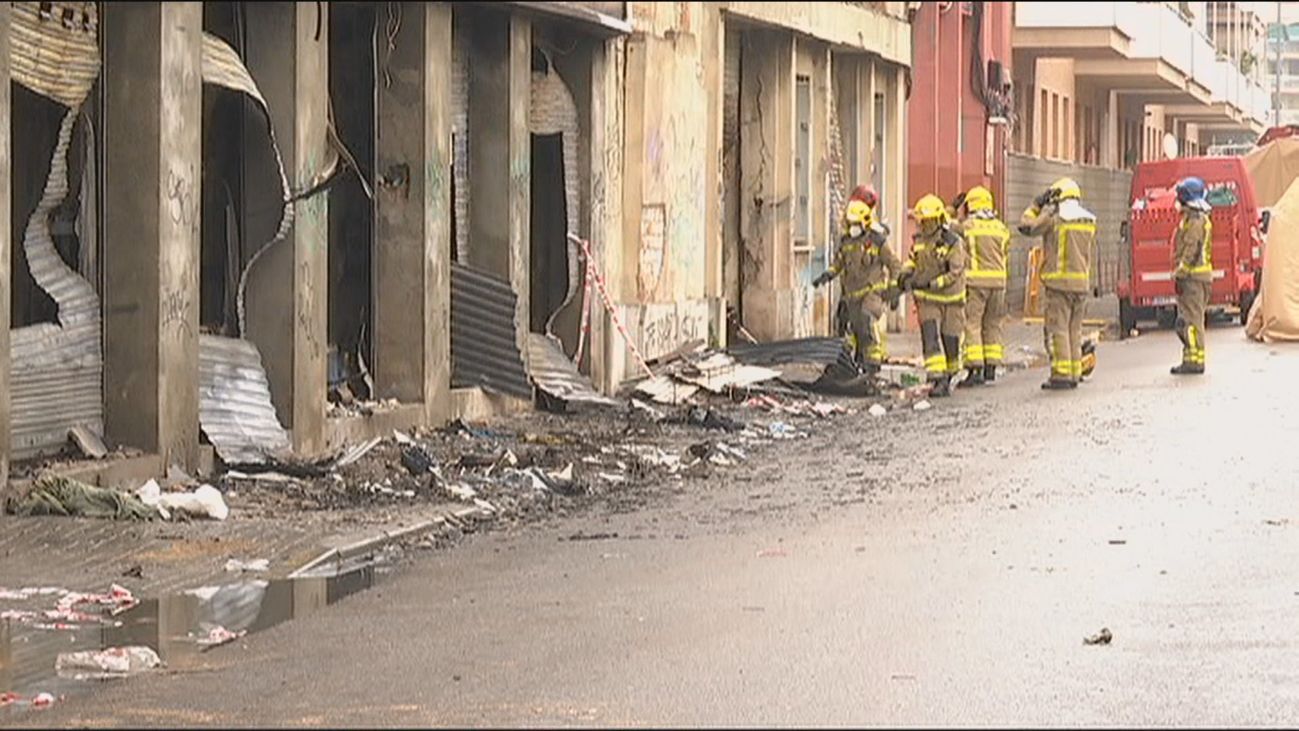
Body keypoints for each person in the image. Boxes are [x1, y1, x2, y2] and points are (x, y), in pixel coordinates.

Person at [1019, 177, 1097, 390]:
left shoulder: (1055, 218)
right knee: (1074, 331)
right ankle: (1074, 371)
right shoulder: (1087, 220)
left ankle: (1061, 374)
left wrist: (1037, 206)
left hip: (1059, 285)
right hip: (1081, 285)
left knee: (1058, 330)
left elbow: (1026, 227)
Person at [814, 199, 901, 377]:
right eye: (851, 223)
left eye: (856, 223)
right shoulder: (846, 241)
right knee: (853, 329)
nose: (853, 227)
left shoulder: (877, 241)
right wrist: (827, 275)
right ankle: (855, 363)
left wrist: (894, 290)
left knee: (866, 320)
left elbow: (894, 265)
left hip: (872, 292)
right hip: (851, 295)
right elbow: (839, 263)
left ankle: (873, 364)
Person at [898, 194, 966, 397]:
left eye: (928, 221)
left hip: (951, 299)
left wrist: (933, 283)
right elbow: (913, 259)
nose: (925, 226)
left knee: (950, 339)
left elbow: (955, 272)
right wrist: (905, 272)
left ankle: (950, 373)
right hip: (927, 298)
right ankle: (937, 377)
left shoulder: (952, 242)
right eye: (922, 222)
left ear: (938, 220)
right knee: (930, 336)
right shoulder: (919, 240)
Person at [952, 185, 1011, 387]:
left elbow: (945, 226)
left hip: (976, 283)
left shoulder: (968, 226)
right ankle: (991, 367)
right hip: (999, 284)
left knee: (972, 324)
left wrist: (953, 209)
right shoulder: (1001, 228)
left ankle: (975, 368)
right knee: (993, 324)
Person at [1170, 176, 1212, 375]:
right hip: (1195, 278)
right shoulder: (1194, 218)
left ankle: (1196, 361)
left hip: (1193, 279)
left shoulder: (1195, 220)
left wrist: (1181, 272)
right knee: (1188, 320)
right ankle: (1189, 359)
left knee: (1193, 321)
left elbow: (1191, 249)